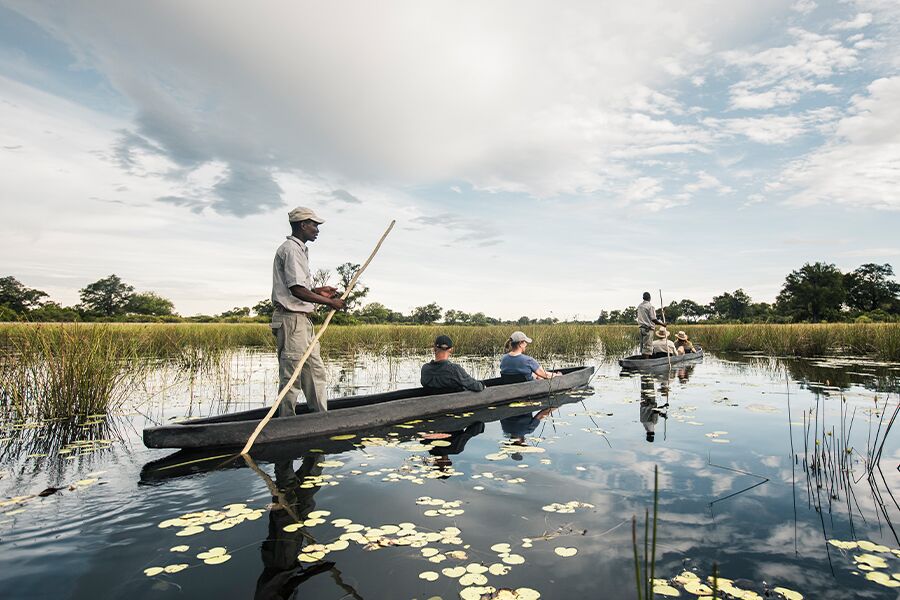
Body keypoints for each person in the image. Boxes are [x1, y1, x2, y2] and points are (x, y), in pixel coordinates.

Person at [271, 207, 346, 417]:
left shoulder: (300, 250)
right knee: (291, 377)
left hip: (302, 322)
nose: (317, 230)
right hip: (291, 320)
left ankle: (320, 418)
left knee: (315, 372)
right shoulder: (291, 249)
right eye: (314, 225)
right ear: (303, 225)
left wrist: (317, 292)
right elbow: (296, 290)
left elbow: (297, 288)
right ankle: (286, 422)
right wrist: (329, 302)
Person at [420, 335, 485, 392]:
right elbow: (477, 387)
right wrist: (482, 385)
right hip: (453, 404)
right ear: (451, 350)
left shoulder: (425, 369)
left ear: (434, 349)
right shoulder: (454, 369)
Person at [636, 292, 665, 359]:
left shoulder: (640, 306)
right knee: (647, 348)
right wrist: (662, 324)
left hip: (641, 329)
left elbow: (649, 316)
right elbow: (653, 319)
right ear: (650, 298)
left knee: (643, 346)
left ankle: (643, 360)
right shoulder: (650, 306)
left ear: (643, 298)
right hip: (648, 329)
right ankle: (645, 363)